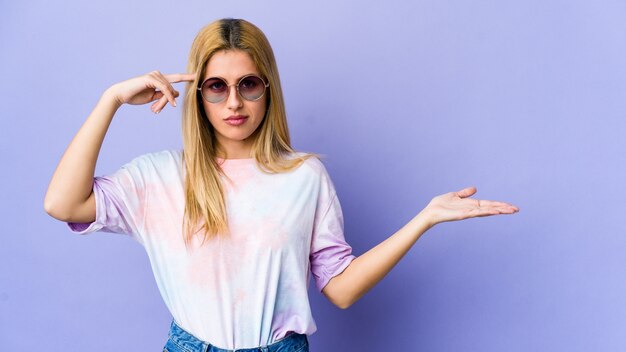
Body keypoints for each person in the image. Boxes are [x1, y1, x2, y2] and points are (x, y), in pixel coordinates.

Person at [44, 18, 519, 352]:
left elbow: (341, 289)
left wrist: (424, 219)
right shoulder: (161, 176)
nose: (234, 102)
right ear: (199, 95)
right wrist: (109, 99)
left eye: (248, 84)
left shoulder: (304, 177)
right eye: (216, 86)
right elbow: (63, 203)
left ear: (268, 89)